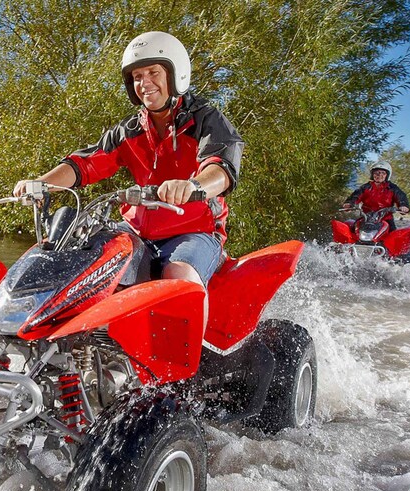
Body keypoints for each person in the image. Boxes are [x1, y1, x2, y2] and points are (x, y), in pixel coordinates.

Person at [13, 31, 244, 329]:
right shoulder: (129, 130)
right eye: (137, 76)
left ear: (176, 74)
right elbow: (85, 163)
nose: (144, 83)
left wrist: (194, 185)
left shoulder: (206, 120)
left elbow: (221, 169)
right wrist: (42, 183)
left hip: (194, 231)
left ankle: (188, 369)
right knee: (79, 257)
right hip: (136, 230)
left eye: (153, 73)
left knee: (178, 274)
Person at [343, 160, 410, 231]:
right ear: (372, 174)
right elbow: (356, 196)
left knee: (393, 235)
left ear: (387, 175)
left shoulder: (393, 188)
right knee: (353, 231)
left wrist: (403, 206)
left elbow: (401, 197)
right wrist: (349, 203)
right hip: (366, 218)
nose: (379, 175)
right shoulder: (365, 187)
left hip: (386, 218)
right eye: (377, 173)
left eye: (383, 173)